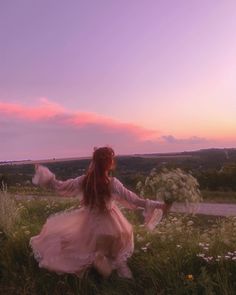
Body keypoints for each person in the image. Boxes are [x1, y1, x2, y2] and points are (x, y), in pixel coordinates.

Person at [30, 147, 170, 279]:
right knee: (122, 237)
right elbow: (134, 199)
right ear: (109, 164)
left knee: (87, 243)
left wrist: (46, 176)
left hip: (91, 223)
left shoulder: (84, 181)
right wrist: (159, 205)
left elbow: (61, 186)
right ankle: (117, 266)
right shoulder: (113, 183)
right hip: (112, 223)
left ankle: (101, 259)